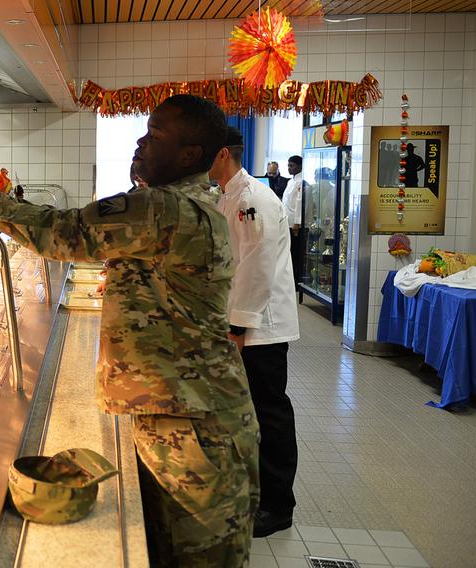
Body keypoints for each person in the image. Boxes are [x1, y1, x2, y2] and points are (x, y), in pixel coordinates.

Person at [0, 95, 259, 567]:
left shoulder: (165, 208)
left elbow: (64, 232)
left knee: (197, 557)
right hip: (189, 414)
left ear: (190, 155)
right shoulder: (185, 204)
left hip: (195, 430)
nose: (141, 142)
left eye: (155, 136)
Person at [209, 127, 301, 538]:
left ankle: (279, 506)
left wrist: (237, 324)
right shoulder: (228, 194)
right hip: (245, 320)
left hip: (260, 327)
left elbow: (258, 266)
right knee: (251, 412)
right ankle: (254, 492)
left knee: (270, 412)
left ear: (223, 153)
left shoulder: (253, 199)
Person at [282, 155, 305, 287]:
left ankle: (296, 281)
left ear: (300, 166)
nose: (289, 168)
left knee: (296, 253)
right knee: (289, 252)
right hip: (287, 221)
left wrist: (297, 222)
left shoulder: (301, 181)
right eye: (288, 165)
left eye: (292, 166)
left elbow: (299, 203)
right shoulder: (291, 181)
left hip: (295, 224)